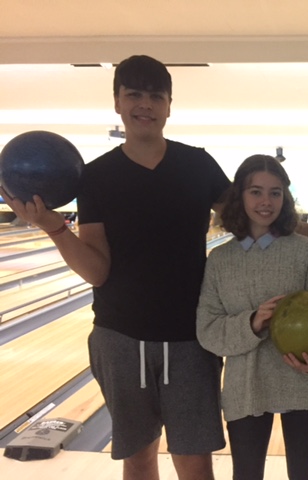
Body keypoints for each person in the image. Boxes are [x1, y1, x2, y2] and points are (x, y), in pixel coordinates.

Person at [1, 55, 229, 480]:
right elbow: (97, 271)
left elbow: (252, 218)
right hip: (120, 337)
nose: (145, 104)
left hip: (191, 337)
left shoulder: (197, 164)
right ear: (118, 103)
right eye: (134, 95)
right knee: (138, 459)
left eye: (155, 96)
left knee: (195, 464)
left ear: (169, 105)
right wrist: (54, 227)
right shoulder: (97, 176)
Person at [196, 154, 308, 480]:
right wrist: (253, 322)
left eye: (275, 192)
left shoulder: (305, 251)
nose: (265, 201)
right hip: (246, 385)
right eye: (255, 191)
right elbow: (208, 330)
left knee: (304, 475)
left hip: (302, 379)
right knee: (246, 475)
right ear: (240, 195)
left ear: (285, 198)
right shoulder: (219, 260)